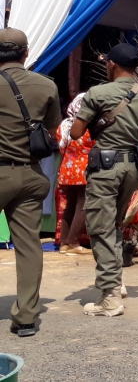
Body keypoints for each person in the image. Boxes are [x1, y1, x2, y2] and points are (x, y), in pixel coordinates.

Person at [70, 43, 138, 317]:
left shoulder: (97, 93)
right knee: (113, 225)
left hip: (105, 168)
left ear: (111, 64)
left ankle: (109, 298)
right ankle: (117, 280)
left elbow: (76, 133)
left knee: (100, 227)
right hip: (131, 167)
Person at [0, 28, 61, 337]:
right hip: (31, 174)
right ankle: (26, 317)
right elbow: (52, 130)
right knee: (28, 245)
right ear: (26, 53)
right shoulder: (46, 85)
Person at [56, 93, 93, 256]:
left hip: (67, 168)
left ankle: (64, 242)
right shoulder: (87, 127)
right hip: (84, 169)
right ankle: (73, 242)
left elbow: (61, 146)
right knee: (83, 204)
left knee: (70, 204)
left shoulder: (63, 125)